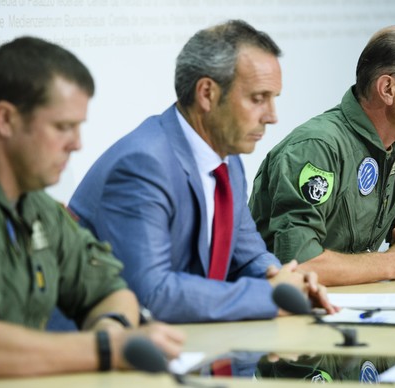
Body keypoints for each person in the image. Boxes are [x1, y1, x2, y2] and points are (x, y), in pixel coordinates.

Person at [69, 20, 336, 323]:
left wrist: (290, 280)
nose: (272, 117)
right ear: (207, 94)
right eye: (258, 98)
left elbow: (248, 256)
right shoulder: (143, 164)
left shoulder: (227, 160)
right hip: (99, 352)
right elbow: (153, 295)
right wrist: (269, 295)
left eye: (274, 99)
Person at [0, 37, 184, 378]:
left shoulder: (36, 205)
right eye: (63, 127)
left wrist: (112, 326)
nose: (76, 143)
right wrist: (110, 348)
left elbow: (111, 288)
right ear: (5, 119)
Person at [249, 25, 395, 287]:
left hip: (352, 304)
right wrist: (392, 263)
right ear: (388, 88)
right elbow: (299, 264)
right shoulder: (316, 148)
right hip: (282, 312)